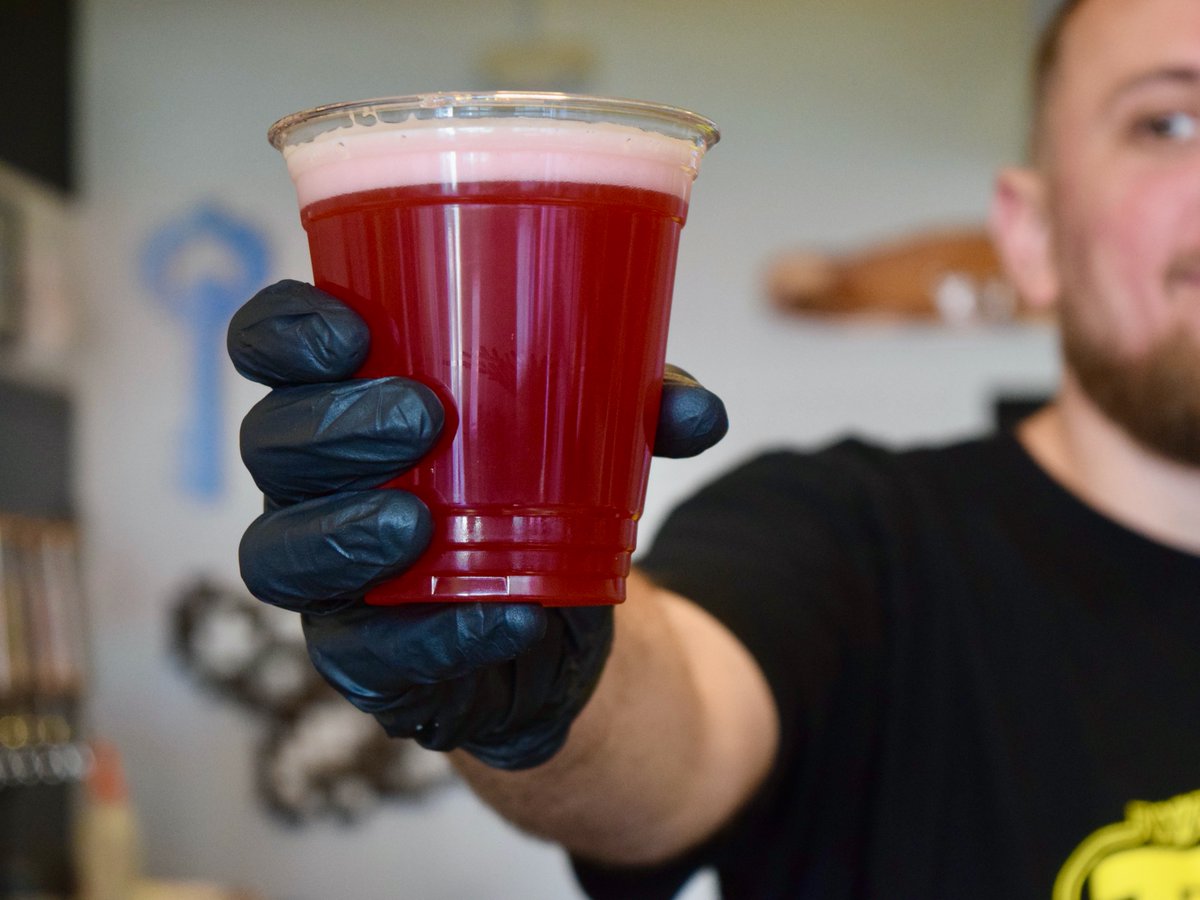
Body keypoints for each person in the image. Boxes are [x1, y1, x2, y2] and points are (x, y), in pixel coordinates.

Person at [226, 0, 1200, 896]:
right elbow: (680, 726)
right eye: (1169, 123)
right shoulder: (862, 543)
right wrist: (546, 686)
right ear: (1028, 236)